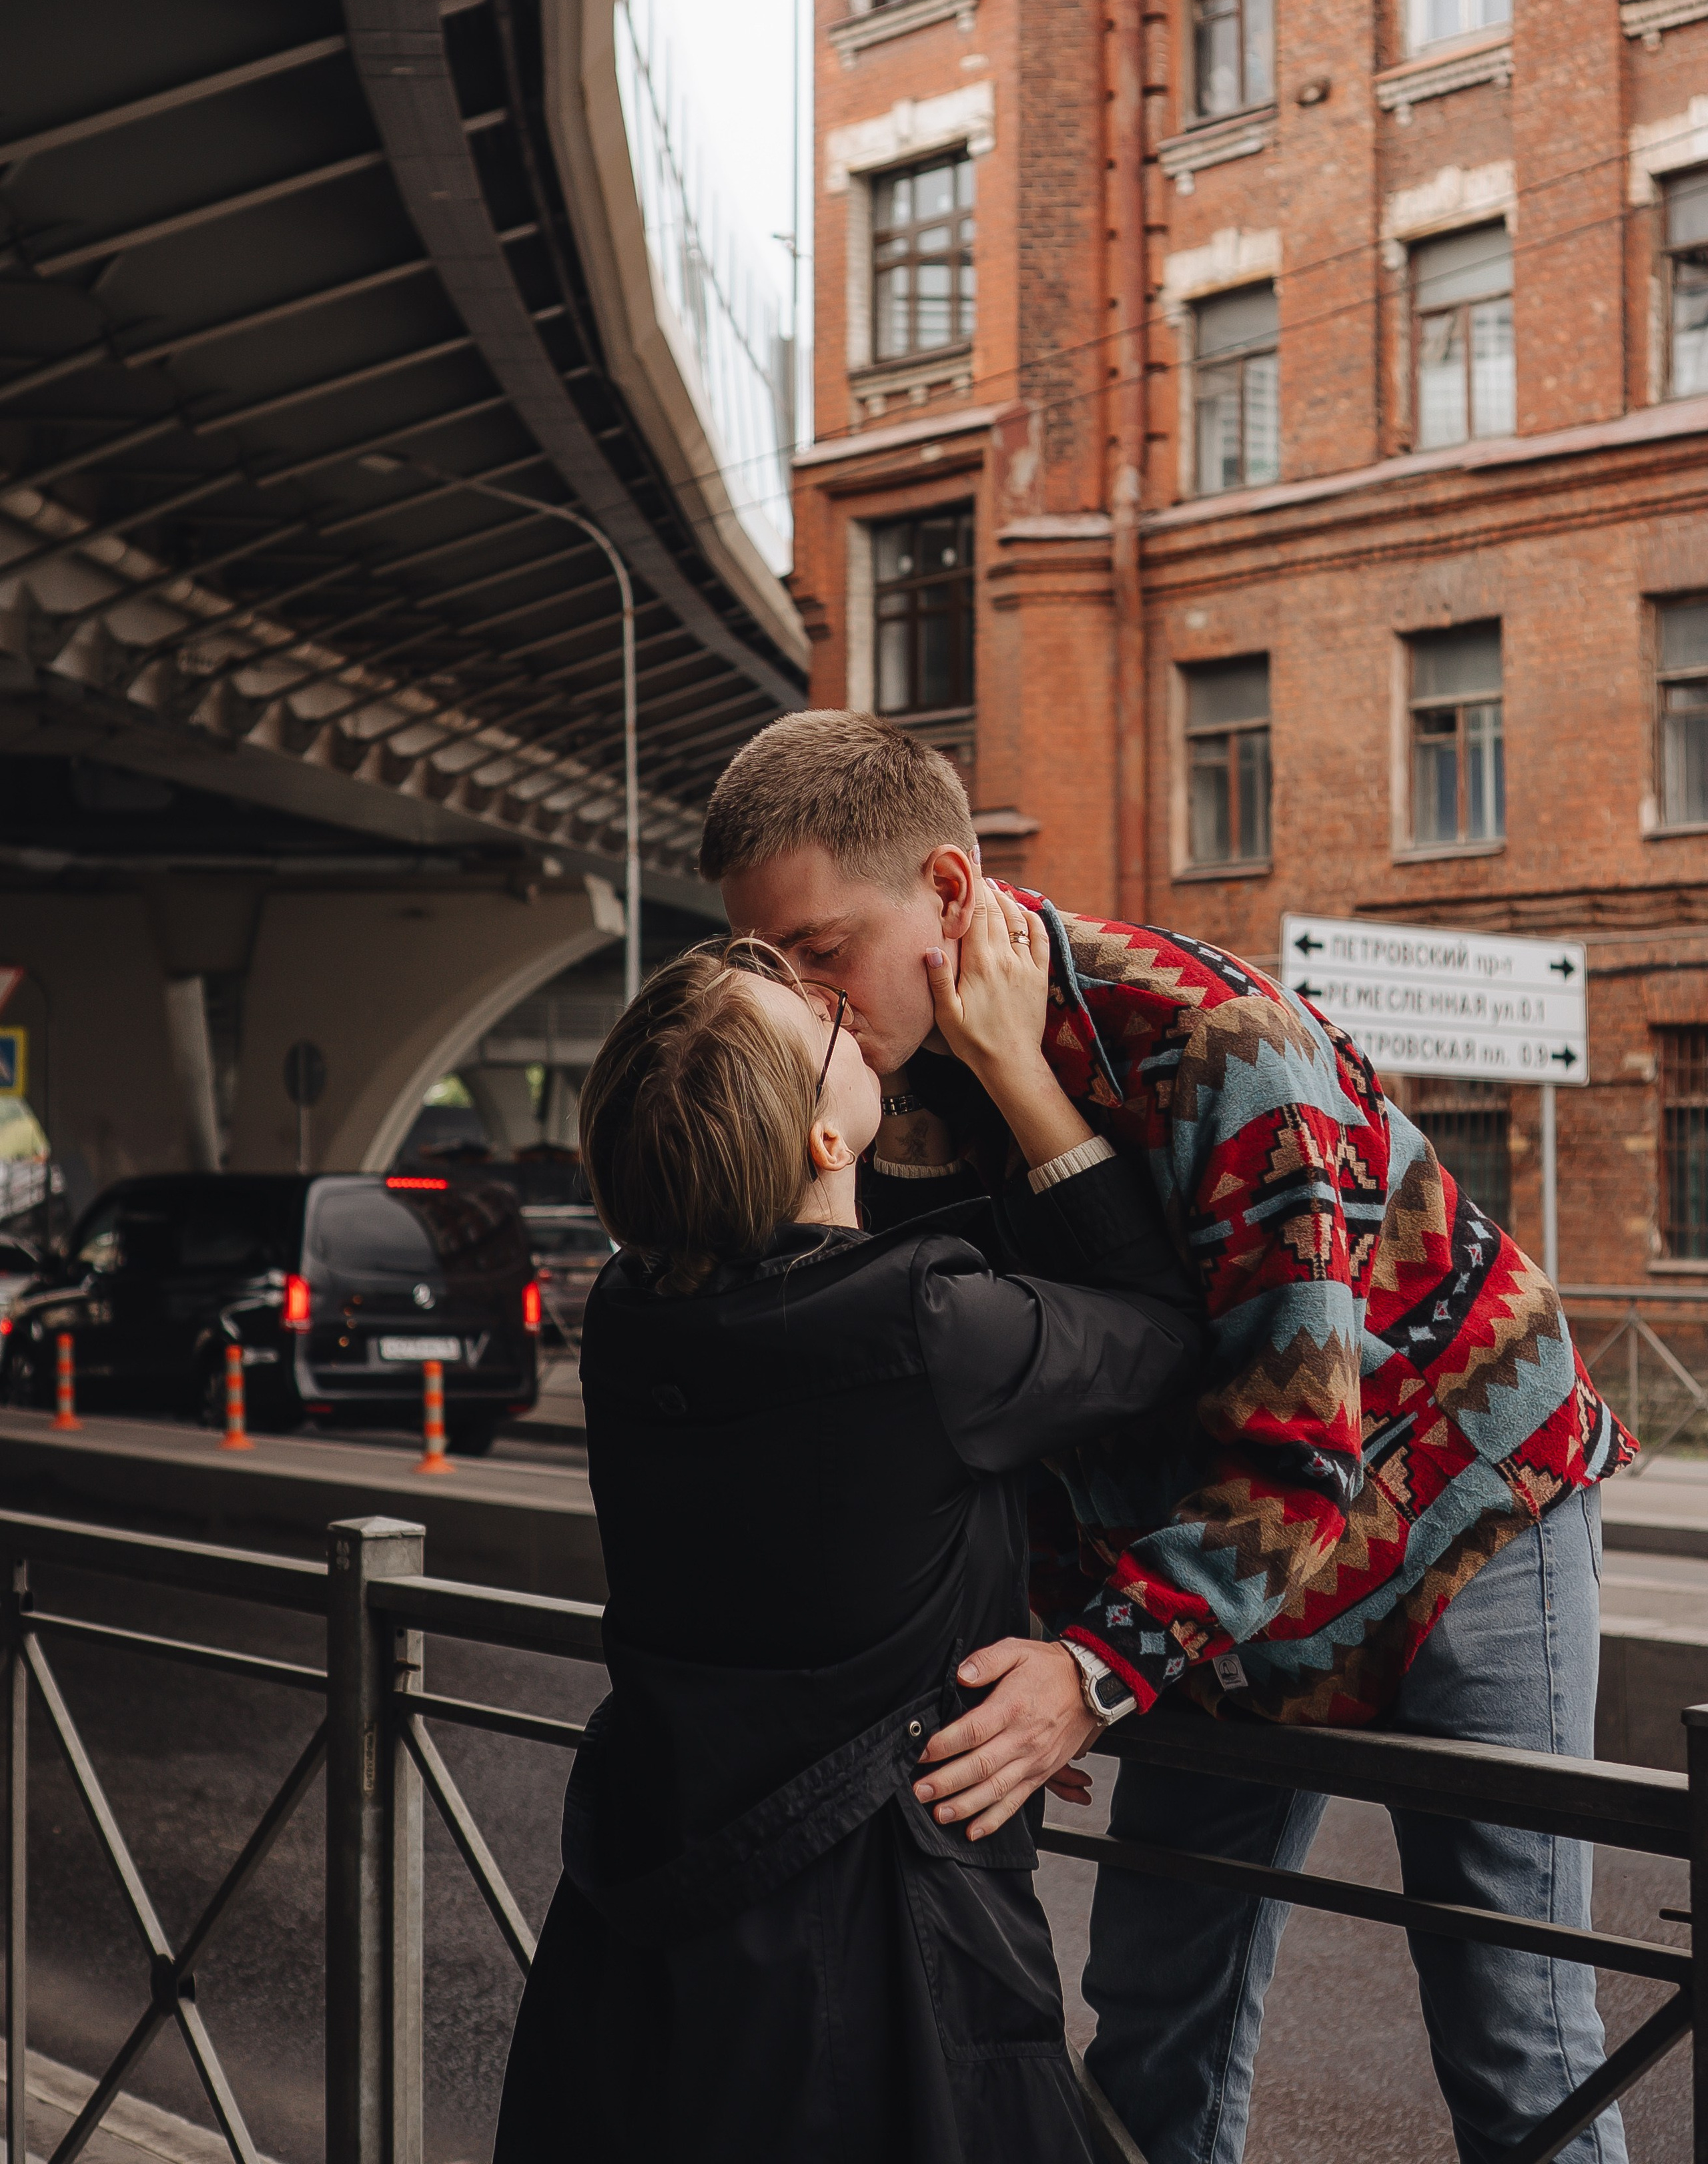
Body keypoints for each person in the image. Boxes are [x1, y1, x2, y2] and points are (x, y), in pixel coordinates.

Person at [701, 709, 1637, 2164]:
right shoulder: (871, 1091)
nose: (806, 1008)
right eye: (772, 969)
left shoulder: (1212, 1036)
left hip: (1463, 1529)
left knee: (1516, 2041)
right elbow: (1008, 1402)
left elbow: (1296, 1449)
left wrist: (1093, 1668)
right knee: (1151, 2022)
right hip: (1210, 1561)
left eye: (823, 954)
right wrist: (1060, 1628)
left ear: (947, 894)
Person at [493, 917, 1205, 2164]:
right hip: (891, 1952)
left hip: (652, 1936)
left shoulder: (624, 1321)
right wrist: (1021, 1081)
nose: (836, 1000)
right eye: (817, 1021)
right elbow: (1156, 1332)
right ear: (828, 1137)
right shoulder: (931, 1331)